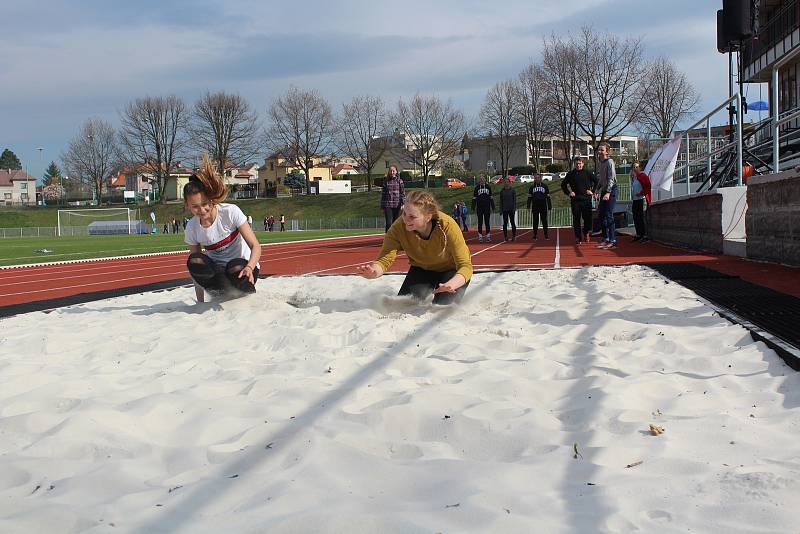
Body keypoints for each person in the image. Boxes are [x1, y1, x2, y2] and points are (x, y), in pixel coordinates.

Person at [356, 190, 473, 305]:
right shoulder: (397, 228)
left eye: (412, 216)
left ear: (428, 217)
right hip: (422, 269)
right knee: (405, 304)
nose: (406, 220)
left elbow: (465, 266)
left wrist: (452, 284)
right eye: (404, 213)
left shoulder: (447, 225)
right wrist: (374, 272)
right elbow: (384, 259)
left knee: (442, 307)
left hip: (451, 271)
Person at [183, 154, 261, 303]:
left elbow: (255, 246)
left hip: (242, 268)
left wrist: (250, 267)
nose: (202, 210)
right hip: (218, 274)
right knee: (194, 260)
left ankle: (248, 296)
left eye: (205, 203)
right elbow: (195, 267)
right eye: (195, 207)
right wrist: (200, 303)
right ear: (188, 206)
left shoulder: (230, 212)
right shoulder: (192, 227)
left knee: (235, 266)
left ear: (211, 199)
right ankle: (219, 293)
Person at [561, 157, 597, 244]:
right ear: (574, 164)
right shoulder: (571, 174)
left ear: (583, 164)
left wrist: (592, 191)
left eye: (580, 163)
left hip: (586, 200)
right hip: (575, 200)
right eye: (577, 164)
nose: (578, 165)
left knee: (588, 219)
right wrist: (569, 193)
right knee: (576, 219)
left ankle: (586, 232)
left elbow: (596, 181)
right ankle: (578, 237)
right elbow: (563, 184)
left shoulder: (587, 173)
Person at [595, 142, 618, 249]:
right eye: (599, 150)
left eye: (602, 150)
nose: (599, 152)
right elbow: (601, 179)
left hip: (611, 190)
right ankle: (606, 238)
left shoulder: (610, 162)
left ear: (607, 152)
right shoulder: (601, 163)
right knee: (601, 215)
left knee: (609, 215)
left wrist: (608, 192)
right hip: (604, 190)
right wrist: (596, 190)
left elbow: (611, 178)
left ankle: (613, 240)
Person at [630, 161, 652, 242]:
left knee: (641, 217)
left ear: (640, 168)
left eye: (637, 167)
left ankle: (644, 235)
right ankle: (638, 234)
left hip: (641, 199)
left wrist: (641, 193)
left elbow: (648, 186)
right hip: (635, 200)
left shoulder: (643, 176)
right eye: (634, 167)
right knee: (636, 217)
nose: (635, 169)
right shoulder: (634, 178)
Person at [527, 174, 552, 240]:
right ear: (534, 179)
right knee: (535, 221)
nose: (537, 179)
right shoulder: (531, 187)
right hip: (535, 206)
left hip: (543, 205)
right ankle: (535, 235)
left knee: (544, 221)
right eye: (536, 178)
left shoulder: (545, 186)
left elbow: (548, 197)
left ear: (540, 178)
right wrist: (528, 207)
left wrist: (549, 206)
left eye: (538, 178)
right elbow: (529, 198)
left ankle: (546, 235)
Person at [380, 165, 405, 232]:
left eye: (393, 170)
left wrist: (403, 203)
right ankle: (388, 238)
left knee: (396, 223)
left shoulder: (400, 181)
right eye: (390, 171)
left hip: (397, 205)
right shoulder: (386, 181)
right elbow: (383, 195)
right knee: (389, 223)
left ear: (396, 172)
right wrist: (382, 207)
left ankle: (395, 239)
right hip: (388, 205)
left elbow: (402, 193)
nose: (392, 172)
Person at [472, 175, 494, 242]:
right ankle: (480, 236)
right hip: (479, 207)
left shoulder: (488, 187)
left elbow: (491, 197)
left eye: (482, 179)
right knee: (480, 222)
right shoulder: (477, 188)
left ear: (485, 180)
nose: (481, 181)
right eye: (480, 179)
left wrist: (493, 206)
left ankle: (488, 236)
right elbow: (474, 198)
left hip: (487, 207)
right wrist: (473, 207)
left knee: (487, 222)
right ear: (479, 181)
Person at [499, 177, 517, 242]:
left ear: (509, 182)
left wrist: (514, 208)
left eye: (507, 182)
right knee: (505, 223)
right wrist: (501, 209)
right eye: (505, 182)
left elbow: (514, 200)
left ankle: (514, 236)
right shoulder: (502, 191)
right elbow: (501, 201)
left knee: (512, 223)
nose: (506, 183)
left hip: (511, 209)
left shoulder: (513, 190)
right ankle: (505, 236)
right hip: (504, 209)